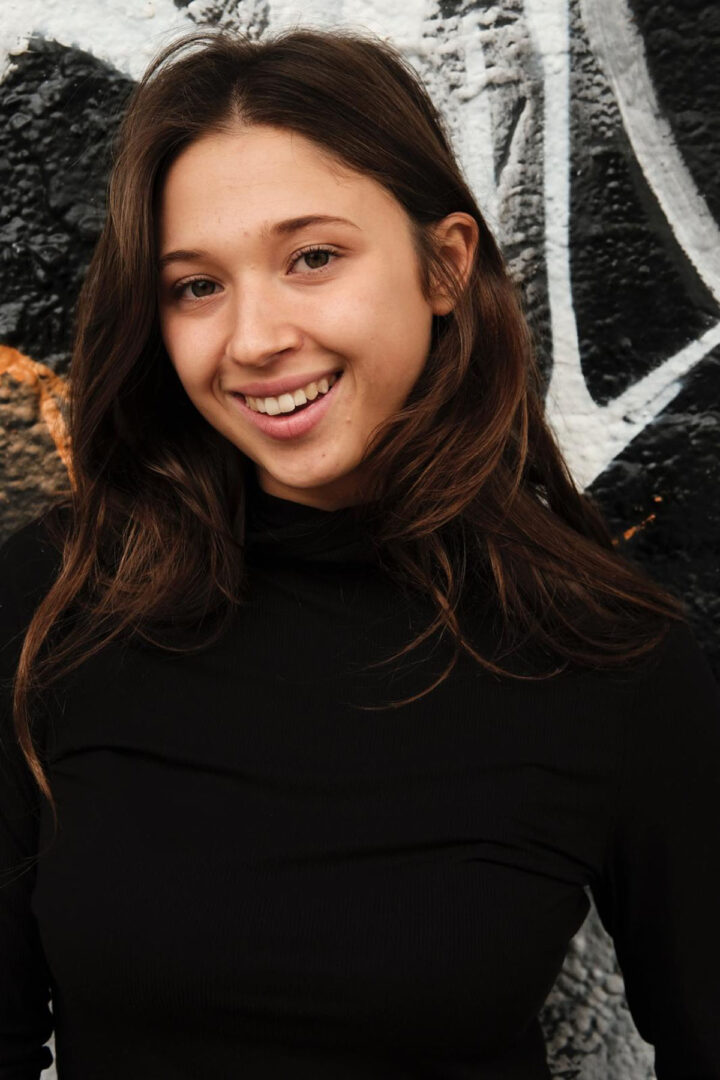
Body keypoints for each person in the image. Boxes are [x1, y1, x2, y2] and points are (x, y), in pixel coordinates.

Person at [1, 25, 719, 1080]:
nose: (254, 339)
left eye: (313, 258)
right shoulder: (53, 604)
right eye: (196, 286)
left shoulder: (604, 653)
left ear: (445, 266)